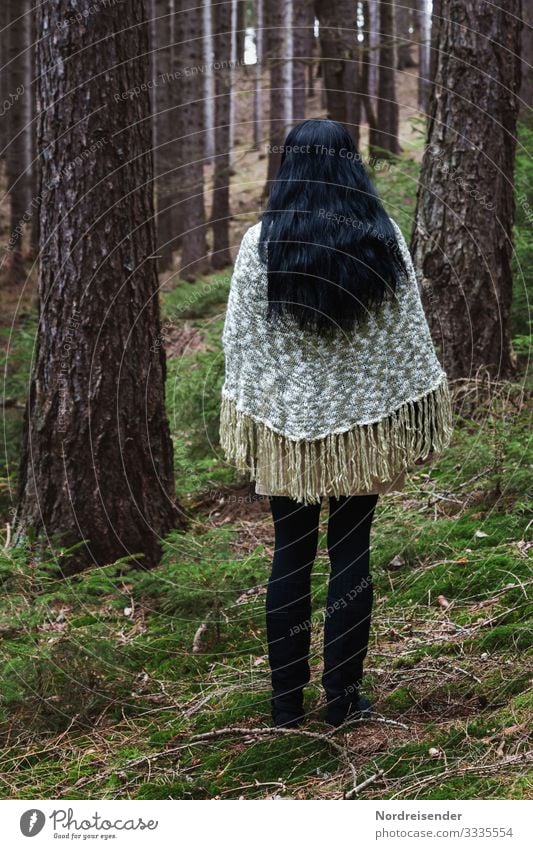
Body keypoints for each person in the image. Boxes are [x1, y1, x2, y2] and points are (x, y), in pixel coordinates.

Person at [220, 119, 454, 728]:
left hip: (286, 433)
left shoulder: (259, 244)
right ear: (351, 165)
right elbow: (406, 336)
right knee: (352, 555)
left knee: (290, 557)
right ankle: (345, 701)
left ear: (289, 169)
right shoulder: (381, 236)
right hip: (361, 432)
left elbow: (243, 346)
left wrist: (266, 408)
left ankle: (284, 707)